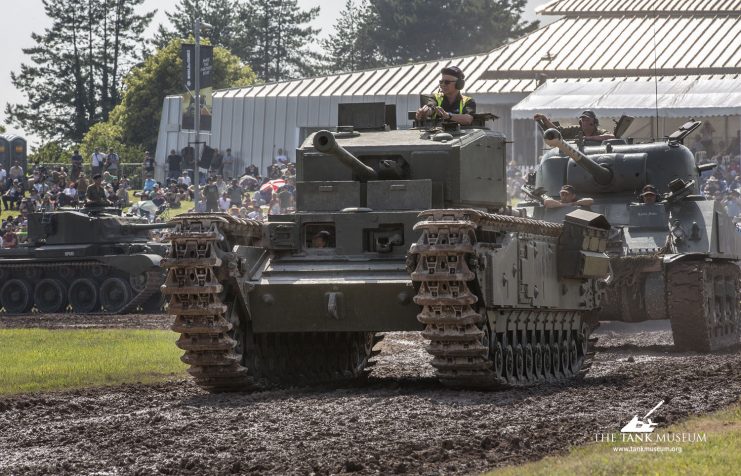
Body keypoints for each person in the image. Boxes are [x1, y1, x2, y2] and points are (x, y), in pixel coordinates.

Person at [534, 110, 615, 144]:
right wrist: (544, 119)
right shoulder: (575, 130)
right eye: (583, 120)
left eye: (587, 119)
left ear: (594, 122)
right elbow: (558, 131)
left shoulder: (600, 132)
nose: (584, 122)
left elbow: (612, 137)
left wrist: (588, 138)